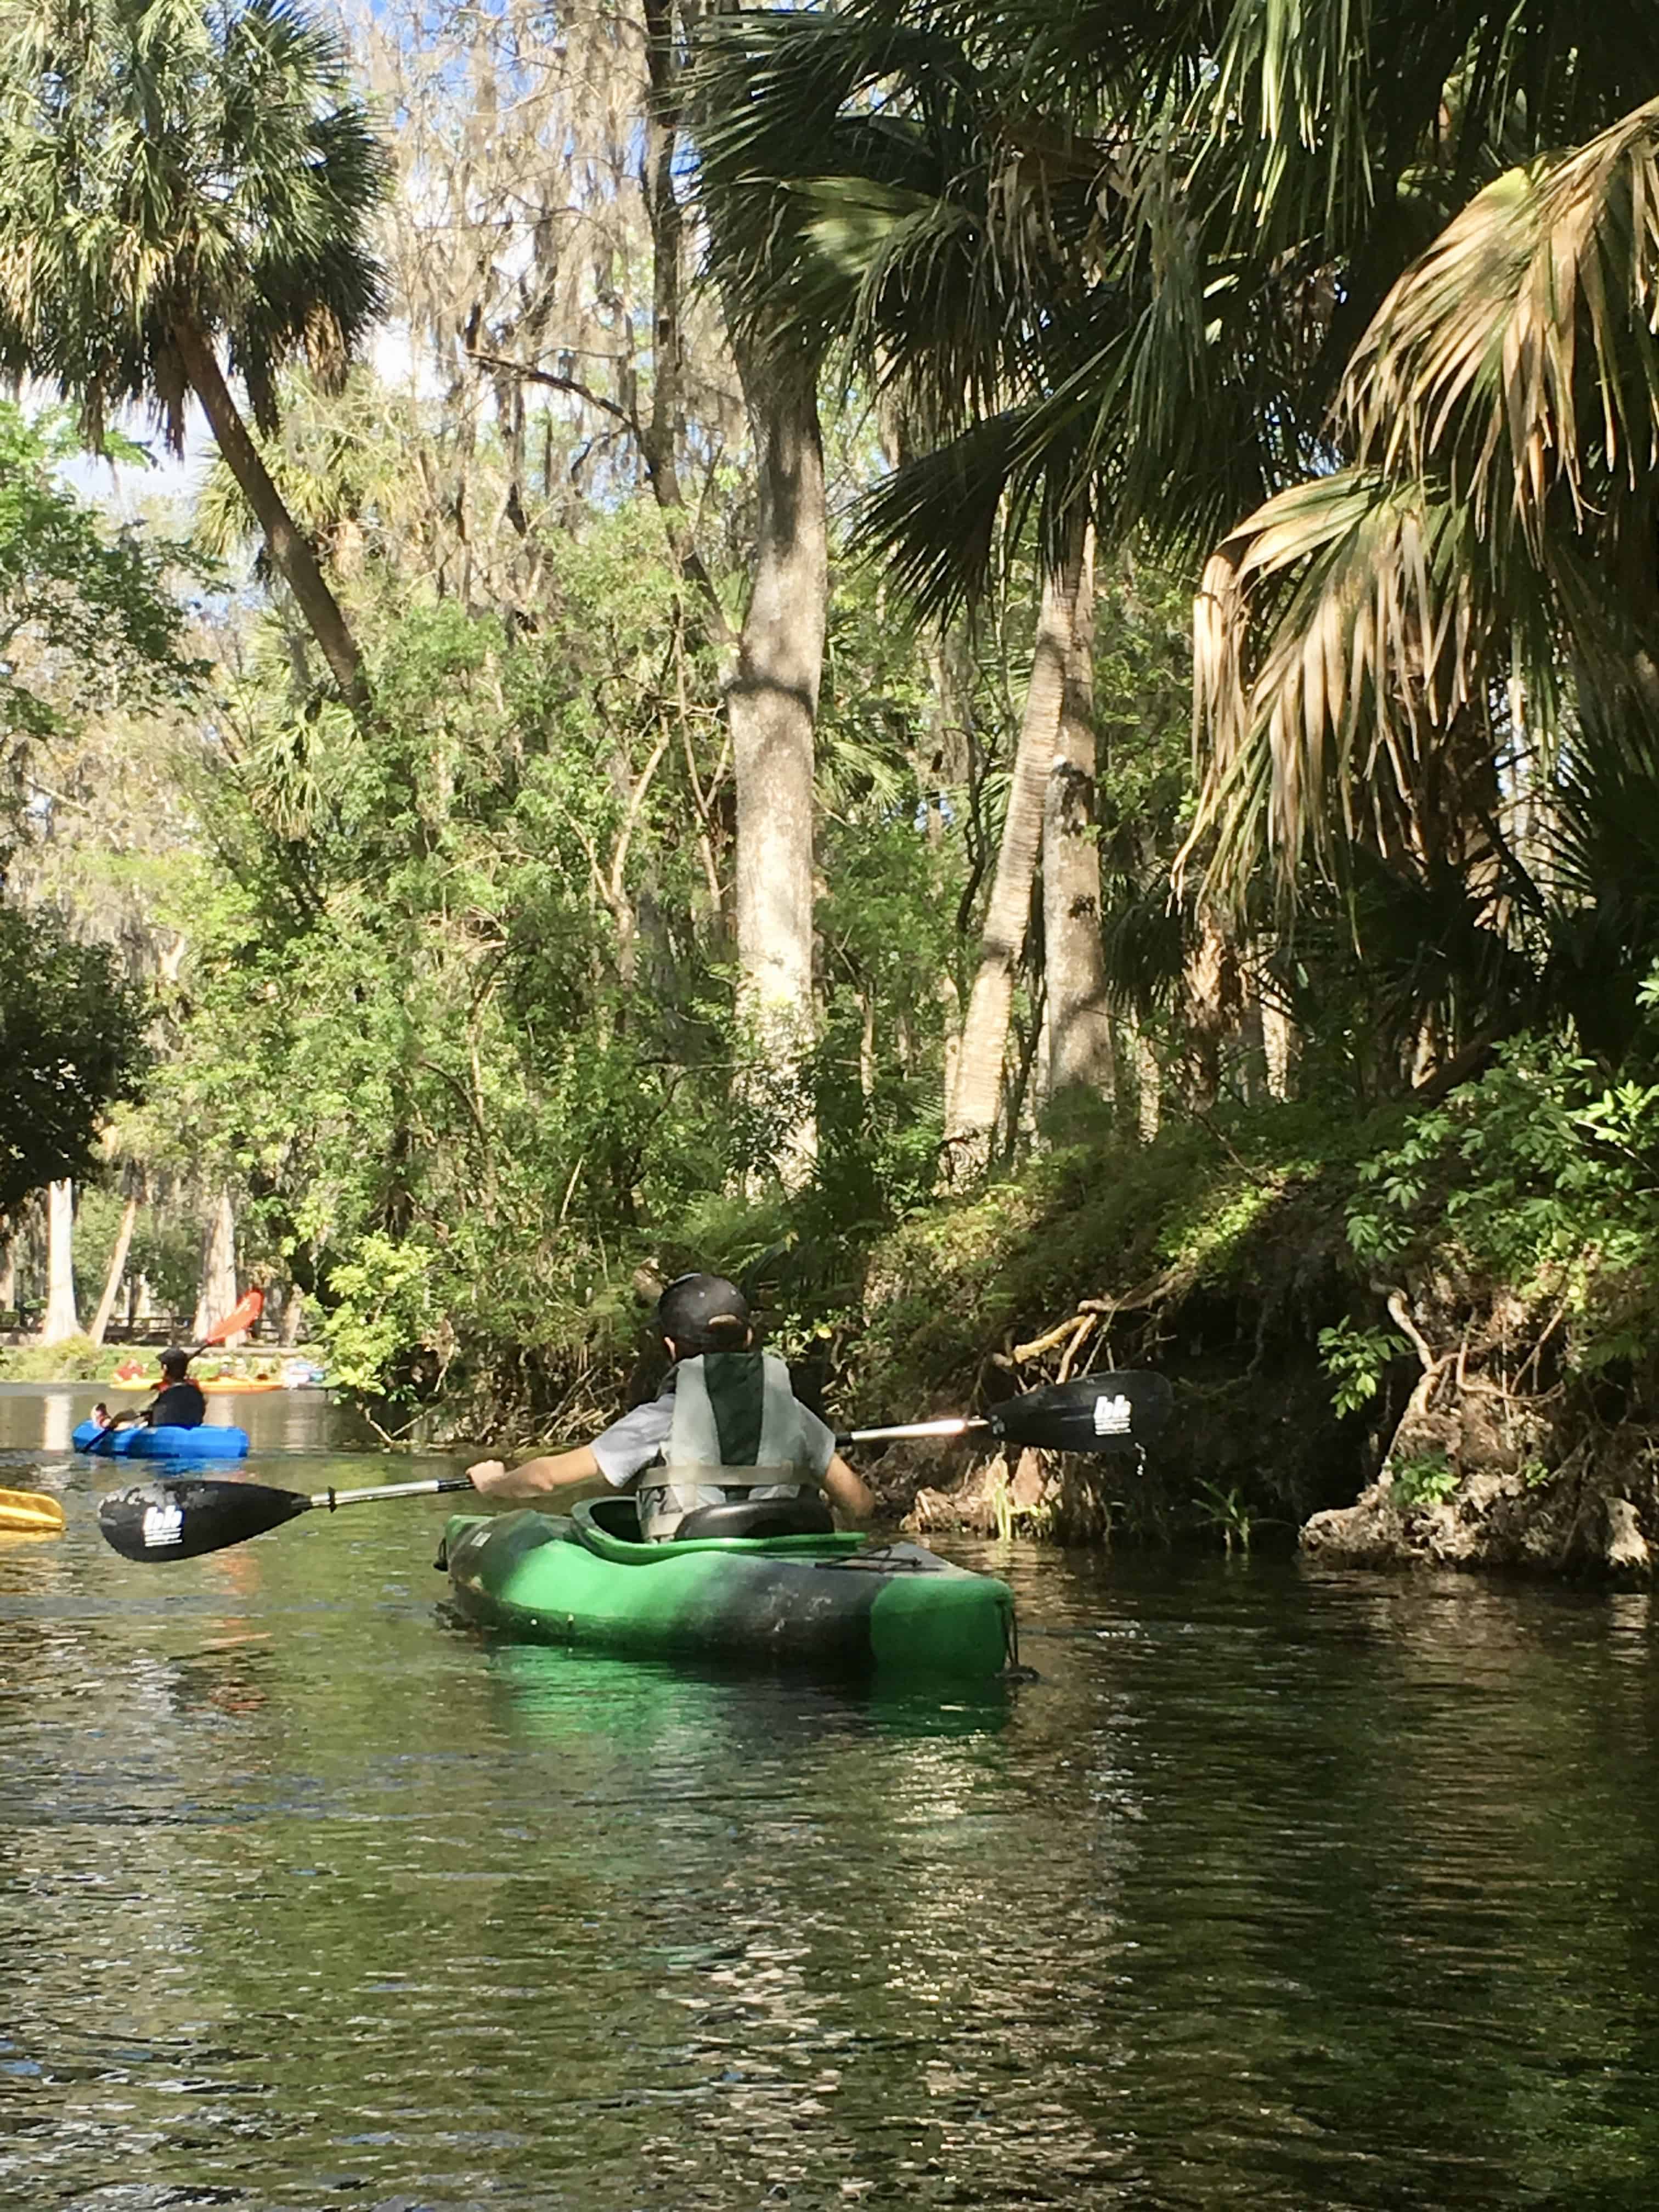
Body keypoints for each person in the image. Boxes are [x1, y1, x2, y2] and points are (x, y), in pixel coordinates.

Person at [467, 1273, 875, 1539]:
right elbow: (860, 1505)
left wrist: (493, 1483)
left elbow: (545, 1480)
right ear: (749, 1340)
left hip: (688, 1568)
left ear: (670, 1348)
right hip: (783, 1569)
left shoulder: (660, 1420)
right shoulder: (796, 1415)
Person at [106, 1347, 207, 1433]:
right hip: (191, 1431)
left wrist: (115, 1421)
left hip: (162, 1434)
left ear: (165, 1368)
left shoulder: (161, 1390)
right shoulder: (195, 1389)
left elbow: (134, 1412)